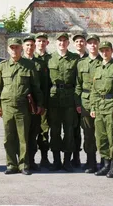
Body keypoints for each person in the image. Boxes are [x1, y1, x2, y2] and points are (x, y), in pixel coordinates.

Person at [0, 37, 44, 175]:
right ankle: (11, 164)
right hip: (7, 106)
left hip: (23, 106)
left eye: (17, 47)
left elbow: (36, 87)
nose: (14, 50)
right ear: (8, 49)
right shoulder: (2, 65)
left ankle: (23, 165)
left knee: (23, 137)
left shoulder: (29, 65)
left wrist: (39, 104)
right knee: (8, 137)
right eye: (12, 47)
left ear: (21, 49)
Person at [90, 41, 113, 178]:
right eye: (102, 51)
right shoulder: (98, 68)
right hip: (99, 106)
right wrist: (93, 107)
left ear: (111, 51)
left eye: (107, 50)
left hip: (112, 105)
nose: (104, 53)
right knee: (101, 138)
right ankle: (105, 165)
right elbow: (94, 89)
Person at [47, 32, 79, 172]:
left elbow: (78, 82)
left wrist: (77, 101)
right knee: (54, 131)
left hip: (69, 99)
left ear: (68, 43)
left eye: (64, 41)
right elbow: (45, 81)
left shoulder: (75, 59)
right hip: (54, 99)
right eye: (59, 41)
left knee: (69, 131)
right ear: (56, 43)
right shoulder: (50, 59)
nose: (62, 43)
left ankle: (67, 161)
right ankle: (56, 161)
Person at [74, 34, 102, 173]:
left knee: (102, 133)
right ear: (86, 45)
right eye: (90, 43)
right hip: (85, 102)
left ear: (98, 44)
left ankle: (104, 161)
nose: (92, 45)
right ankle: (91, 161)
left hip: (101, 102)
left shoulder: (104, 62)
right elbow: (78, 85)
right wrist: (78, 103)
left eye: (95, 43)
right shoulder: (81, 63)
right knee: (88, 133)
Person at [22, 34, 48, 171]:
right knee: (22, 133)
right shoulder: (18, 61)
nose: (30, 47)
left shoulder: (40, 64)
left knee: (34, 133)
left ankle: (31, 160)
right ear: (23, 46)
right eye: (27, 45)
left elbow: (43, 86)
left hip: (35, 104)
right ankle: (22, 160)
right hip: (21, 104)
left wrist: (41, 105)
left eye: (32, 45)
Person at [34, 32, 52, 168]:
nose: (41, 43)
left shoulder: (51, 59)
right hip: (32, 102)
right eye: (39, 41)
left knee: (45, 131)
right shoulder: (29, 59)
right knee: (32, 131)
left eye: (43, 41)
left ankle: (44, 158)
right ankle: (30, 158)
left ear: (47, 43)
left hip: (48, 101)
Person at [71, 32, 88, 168]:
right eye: (77, 42)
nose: (79, 44)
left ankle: (90, 159)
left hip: (87, 100)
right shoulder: (71, 58)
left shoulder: (91, 59)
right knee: (74, 129)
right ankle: (75, 157)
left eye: (81, 41)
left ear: (85, 43)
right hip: (72, 99)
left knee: (88, 130)